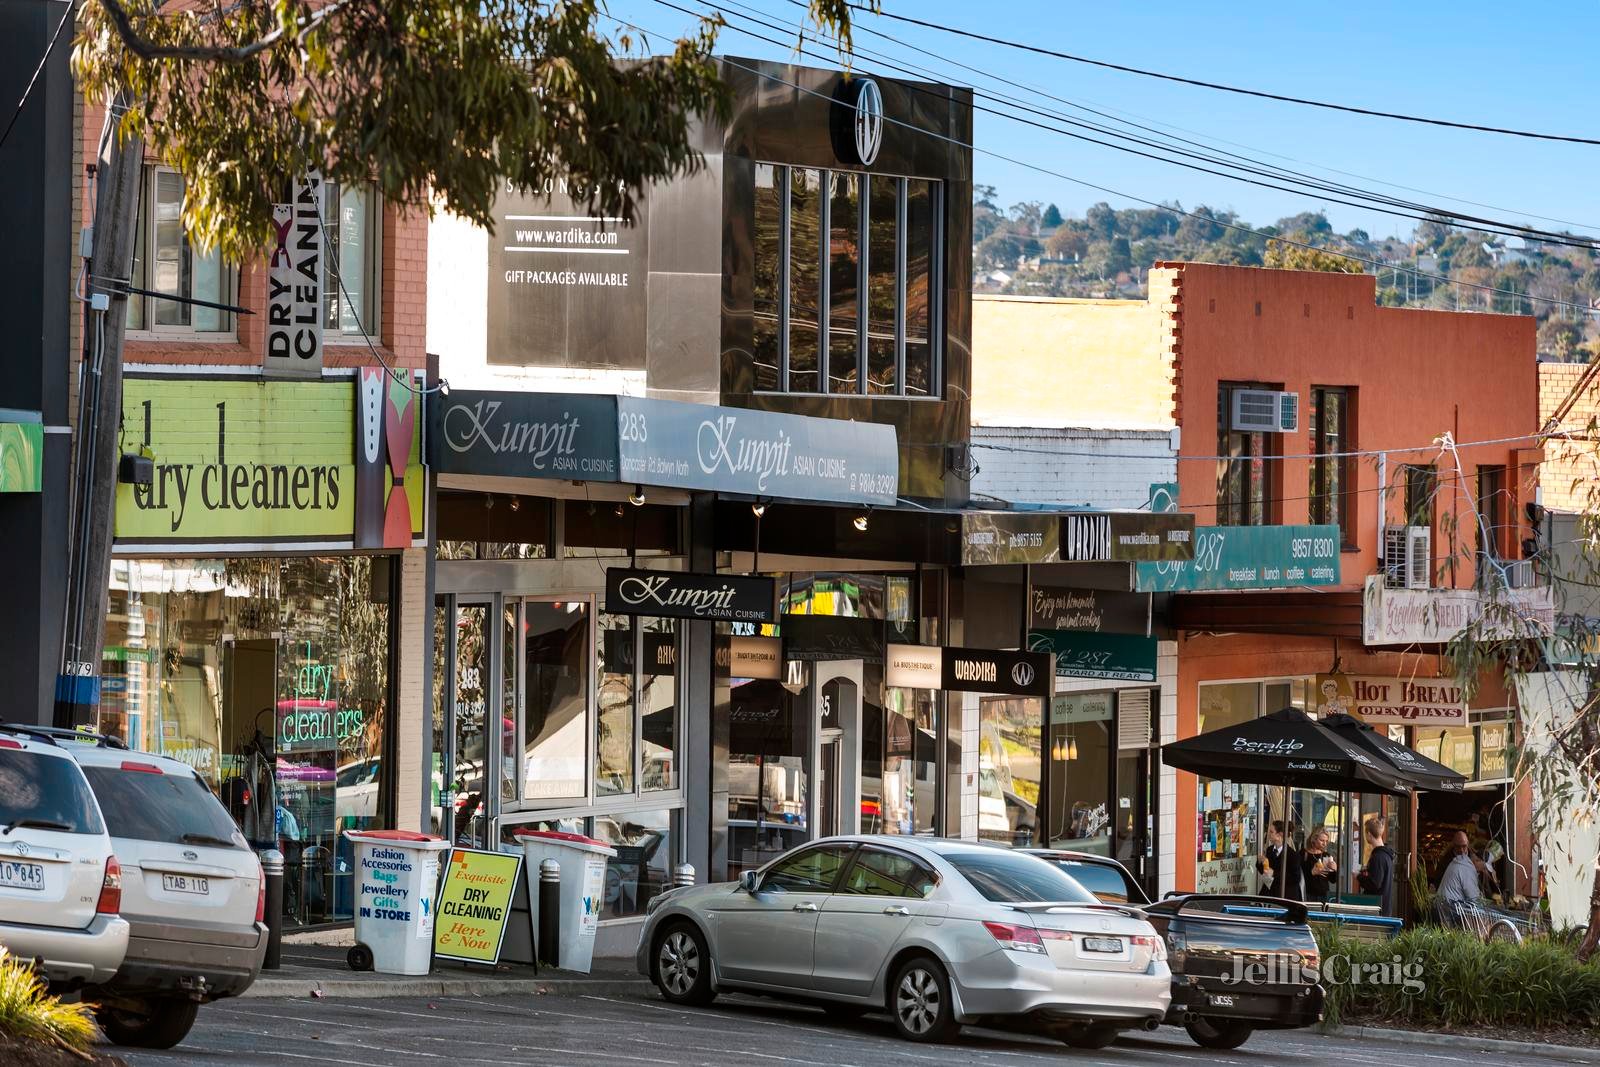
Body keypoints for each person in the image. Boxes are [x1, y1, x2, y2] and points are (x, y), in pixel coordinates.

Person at [1436, 830, 1485, 925]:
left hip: (1447, 907)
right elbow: (1473, 896)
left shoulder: (1464, 860)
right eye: (1458, 847)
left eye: (1464, 846)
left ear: (1468, 845)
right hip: (1450, 909)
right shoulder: (1465, 865)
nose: (1462, 850)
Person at [1357, 818, 1396, 916]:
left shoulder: (1378, 857)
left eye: (1365, 833)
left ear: (1369, 834)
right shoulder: (1387, 855)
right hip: (1384, 907)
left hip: (1376, 910)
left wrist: (1359, 876)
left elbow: (1374, 884)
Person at [1257, 821, 1303, 900]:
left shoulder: (1293, 855)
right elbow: (1264, 871)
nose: (1269, 834)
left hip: (1285, 895)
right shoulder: (1269, 850)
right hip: (1269, 892)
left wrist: (1274, 873)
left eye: (1271, 832)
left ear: (1279, 835)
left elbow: (1295, 878)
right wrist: (1260, 862)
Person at [1301, 828, 1338, 903]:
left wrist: (1335, 869)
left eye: (1326, 841)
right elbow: (1297, 875)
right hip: (1308, 893)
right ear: (1314, 839)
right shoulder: (1303, 854)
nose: (1324, 843)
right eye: (1322, 840)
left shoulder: (1326, 855)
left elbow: (1333, 880)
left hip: (1324, 894)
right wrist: (1312, 872)